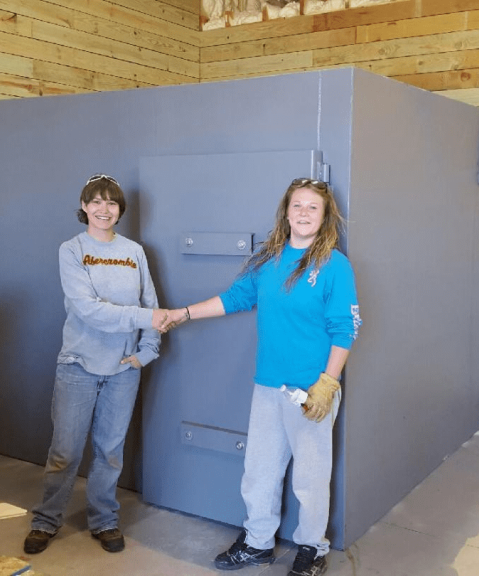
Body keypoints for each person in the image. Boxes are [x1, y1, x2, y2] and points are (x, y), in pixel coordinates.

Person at [165, 177, 361, 576]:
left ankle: (313, 549)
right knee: (259, 471)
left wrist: (328, 383)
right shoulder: (269, 260)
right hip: (269, 385)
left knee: (310, 478)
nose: (304, 213)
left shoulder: (335, 266)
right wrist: (182, 314)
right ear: (286, 211)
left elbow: (345, 328)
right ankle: (257, 544)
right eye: (298, 205)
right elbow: (234, 298)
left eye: (313, 208)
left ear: (324, 218)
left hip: (311, 389)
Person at [24, 173, 170, 555]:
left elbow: (151, 304)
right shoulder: (71, 250)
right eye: (97, 201)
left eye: (112, 203)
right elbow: (90, 311)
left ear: (120, 209)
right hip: (78, 365)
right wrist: (146, 320)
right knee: (65, 452)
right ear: (85, 207)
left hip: (123, 369)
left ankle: (104, 520)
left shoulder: (134, 251)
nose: (104, 209)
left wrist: (147, 351)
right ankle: (46, 520)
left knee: (109, 452)